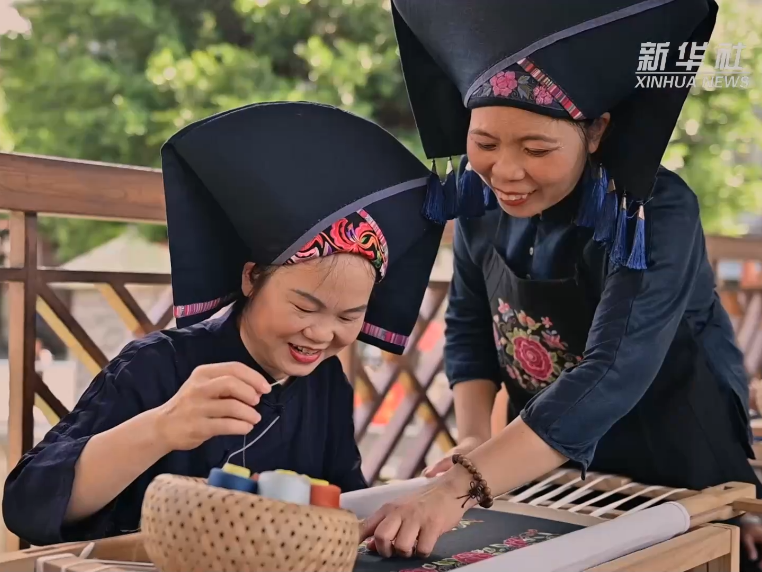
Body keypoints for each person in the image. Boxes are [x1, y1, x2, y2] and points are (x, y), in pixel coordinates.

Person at [360, 0, 762, 567]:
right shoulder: (481, 206)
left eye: (537, 148)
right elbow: (469, 324)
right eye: (486, 143)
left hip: (677, 466)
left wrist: (460, 487)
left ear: (596, 131)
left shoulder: (656, 214)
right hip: (548, 469)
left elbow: (612, 370)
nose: (505, 172)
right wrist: (475, 439)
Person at [3, 101, 444, 546]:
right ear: (252, 277)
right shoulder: (158, 365)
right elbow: (26, 503)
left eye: (348, 316)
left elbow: (343, 501)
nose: (322, 333)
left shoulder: (325, 382)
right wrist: (161, 427)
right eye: (305, 308)